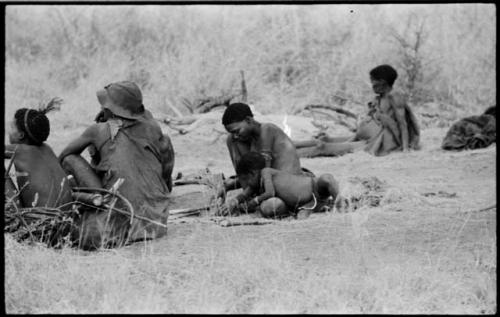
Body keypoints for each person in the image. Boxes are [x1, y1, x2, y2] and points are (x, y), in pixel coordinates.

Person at [59, 81, 173, 249]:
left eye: (104, 105)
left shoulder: (98, 130)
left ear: (110, 110)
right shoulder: (153, 127)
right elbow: (166, 172)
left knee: (70, 159)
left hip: (118, 227)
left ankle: (97, 199)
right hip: (156, 223)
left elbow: (63, 156)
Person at [294, 64, 420, 157]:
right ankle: (289, 145)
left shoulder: (395, 97)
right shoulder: (380, 98)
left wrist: (405, 149)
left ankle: (288, 155)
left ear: (382, 82)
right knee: (324, 140)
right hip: (369, 137)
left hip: (379, 143)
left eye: (373, 82)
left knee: (323, 148)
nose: (372, 86)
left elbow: (403, 124)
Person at [220, 152, 339, 219]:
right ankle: (323, 205)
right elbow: (244, 195)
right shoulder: (256, 184)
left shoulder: (266, 172)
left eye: (245, 179)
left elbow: (270, 193)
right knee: (301, 217)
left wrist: (254, 201)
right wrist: (234, 202)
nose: (245, 184)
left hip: (315, 187)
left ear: (252, 173)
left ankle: (340, 200)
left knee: (326, 178)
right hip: (306, 204)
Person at [4, 98, 73, 210]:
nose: (8, 131)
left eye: (12, 127)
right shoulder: (47, 149)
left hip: (39, 221)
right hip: (65, 218)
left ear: (21, 135)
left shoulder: (21, 151)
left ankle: (15, 214)